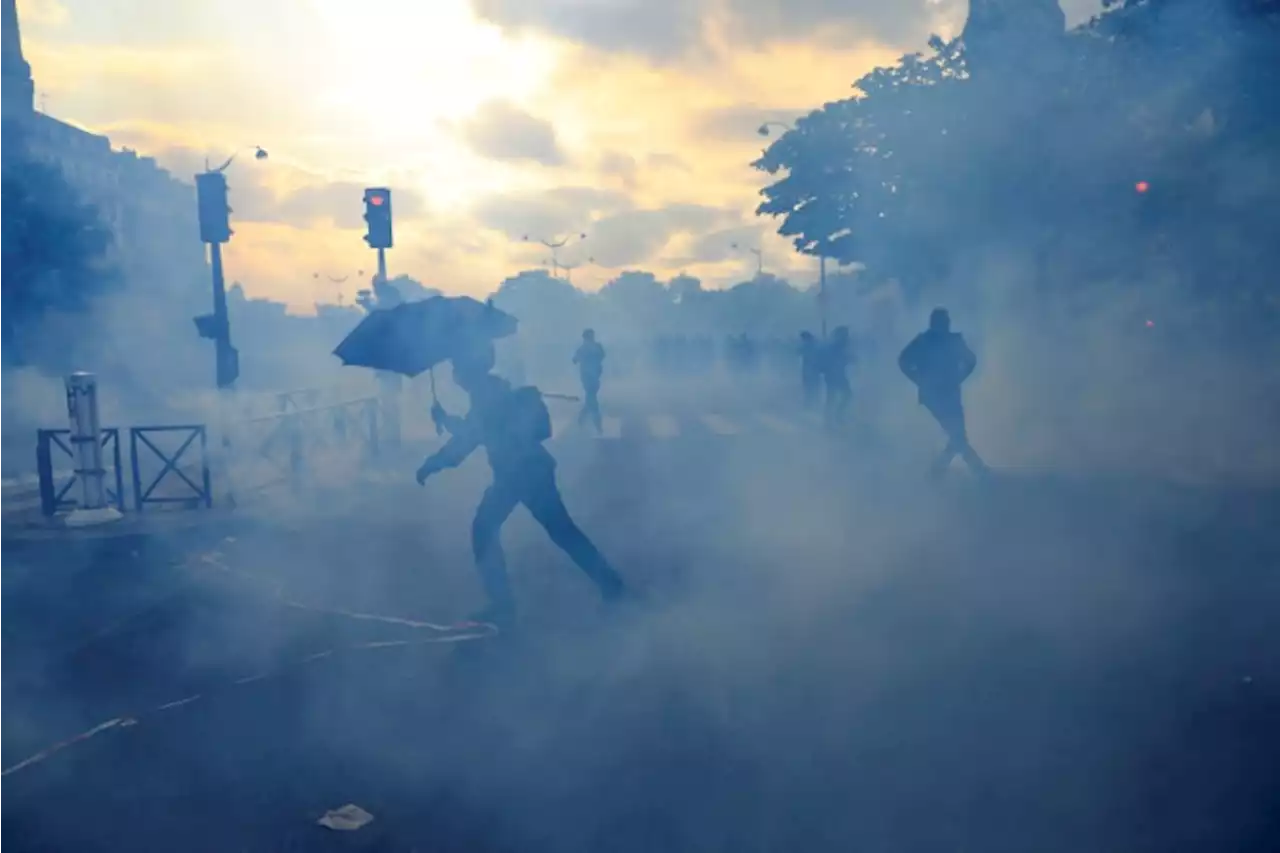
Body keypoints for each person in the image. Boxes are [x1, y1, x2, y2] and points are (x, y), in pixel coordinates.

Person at [416, 339, 627, 626]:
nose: (454, 373)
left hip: (517, 473)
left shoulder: (485, 393)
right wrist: (446, 424)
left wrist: (433, 463)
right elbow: (476, 431)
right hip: (530, 469)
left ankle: (503, 605)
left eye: (457, 366)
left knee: (484, 530)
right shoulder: (492, 389)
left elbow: (468, 439)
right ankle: (612, 587)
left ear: (468, 370)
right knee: (563, 532)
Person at [898, 308, 988, 479]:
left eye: (945, 321)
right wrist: (918, 379)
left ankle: (939, 470)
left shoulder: (952, 341)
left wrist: (959, 377)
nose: (945, 324)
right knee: (957, 434)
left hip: (949, 393)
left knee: (957, 435)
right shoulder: (924, 341)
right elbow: (903, 360)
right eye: (942, 321)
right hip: (934, 396)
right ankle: (975, 468)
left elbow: (971, 360)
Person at [572, 328, 605, 433]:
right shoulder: (587, 348)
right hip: (589, 377)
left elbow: (575, 360)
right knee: (592, 399)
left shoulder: (590, 348)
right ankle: (596, 424)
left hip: (592, 376)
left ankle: (582, 419)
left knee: (590, 399)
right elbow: (575, 360)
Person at [821, 326, 854, 429]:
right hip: (832, 375)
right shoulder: (834, 345)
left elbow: (845, 358)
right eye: (845, 334)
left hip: (839, 375)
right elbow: (830, 359)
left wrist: (850, 359)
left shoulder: (842, 345)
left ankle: (836, 416)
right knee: (832, 397)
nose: (847, 336)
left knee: (846, 395)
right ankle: (829, 420)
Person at [798, 331, 822, 409]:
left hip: (811, 369)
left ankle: (810, 404)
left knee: (810, 388)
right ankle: (811, 403)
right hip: (811, 370)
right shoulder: (814, 345)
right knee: (812, 388)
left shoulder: (809, 346)